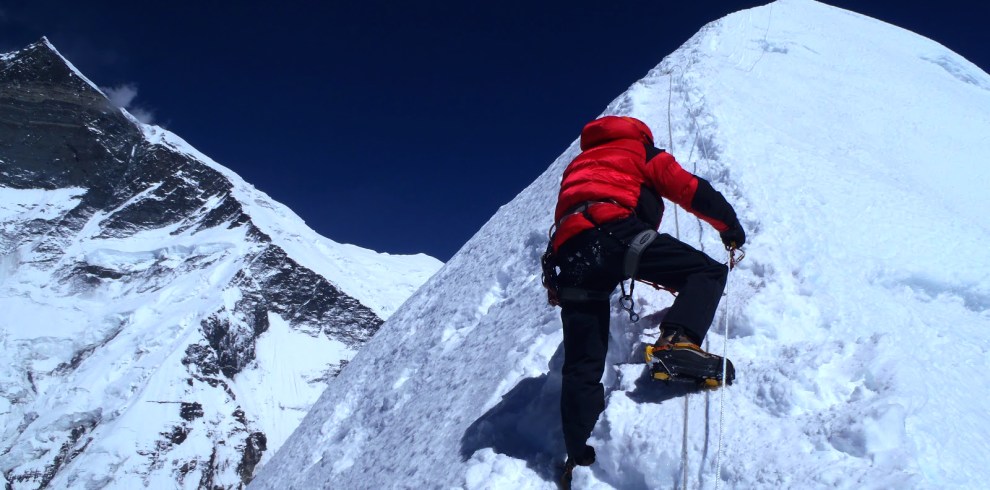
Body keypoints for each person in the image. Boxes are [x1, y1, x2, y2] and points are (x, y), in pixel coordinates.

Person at [543, 115, 745, 477]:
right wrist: (728, 225)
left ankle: (578, 451)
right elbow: (687, 188)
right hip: (614, 230)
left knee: (582, 360)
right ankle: (678, 342)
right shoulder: (638, 150)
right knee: (705, 272)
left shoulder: (579, 163)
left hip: (570, 254)